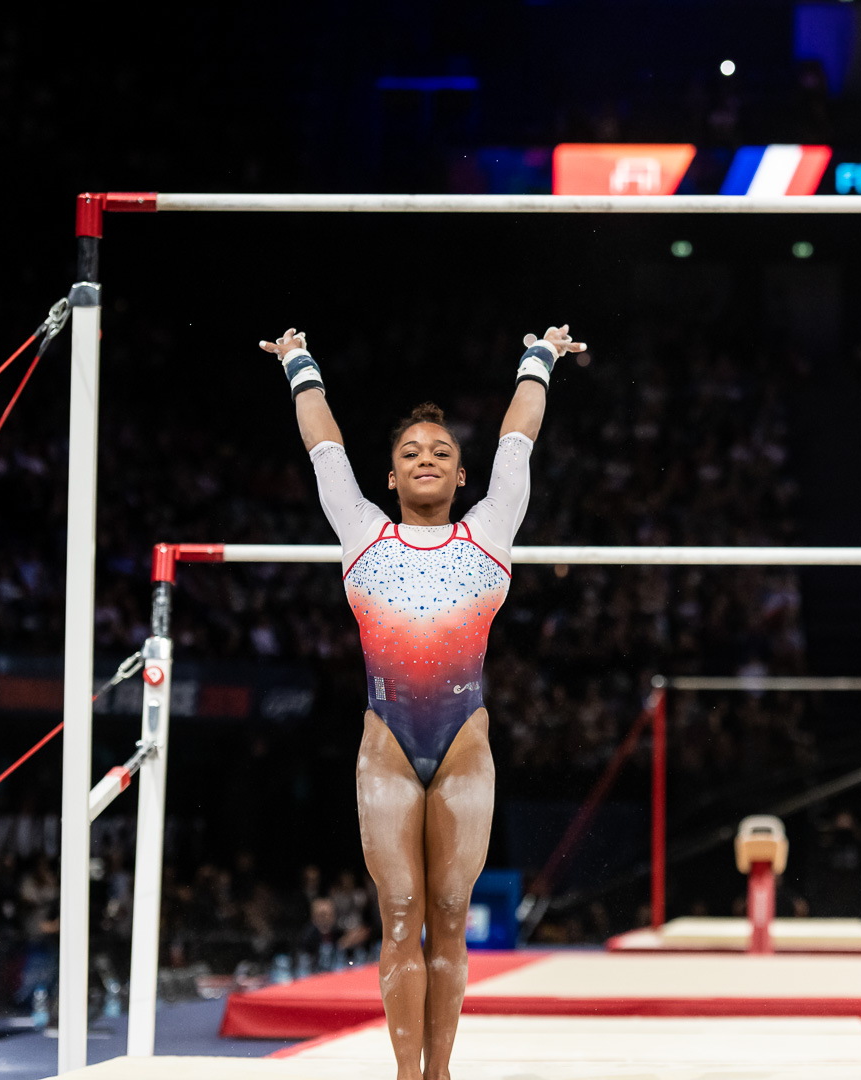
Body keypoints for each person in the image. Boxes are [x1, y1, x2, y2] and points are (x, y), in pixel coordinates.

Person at [258, 323, 584, 1080]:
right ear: (393, 478)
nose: (427, 458)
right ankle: (410, 1078)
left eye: (440, 451)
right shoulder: (363, 531)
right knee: (400, 913)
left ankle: (441, 1073)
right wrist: (301, 363)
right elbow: (325, 451)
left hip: (465, 739)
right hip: (388, 744)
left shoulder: (490, 532)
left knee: (447, 917)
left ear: (461, 475)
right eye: (411, 453)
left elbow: (517, 441)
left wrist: (538, 357)